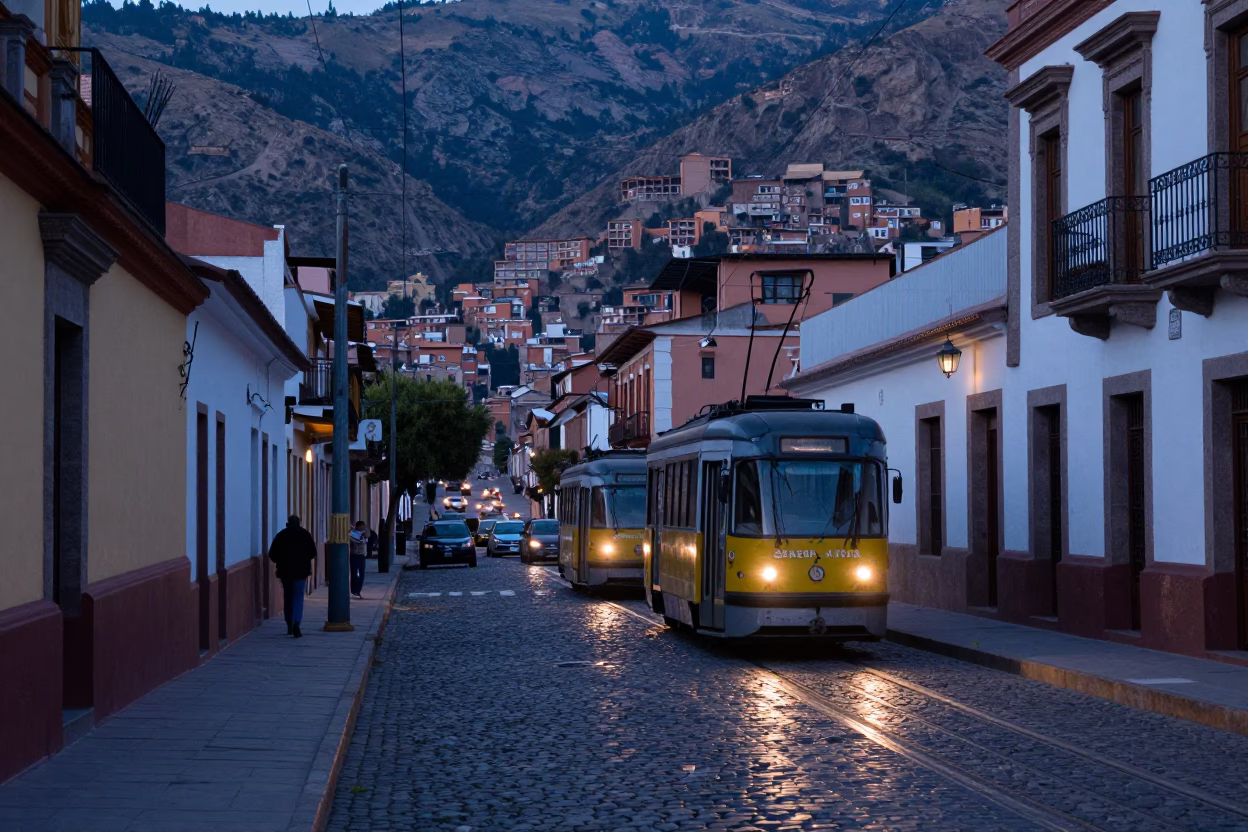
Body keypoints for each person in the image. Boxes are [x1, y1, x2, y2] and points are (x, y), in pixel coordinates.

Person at [268, 515, 317, 638]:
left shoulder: (281, 535)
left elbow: (272, 554)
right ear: (299, 523)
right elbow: (313, 552)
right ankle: (297, 622)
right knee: (298, 596)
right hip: (301, 571)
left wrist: (281, 560)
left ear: (287, 523)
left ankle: (289, 623)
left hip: (285, 572)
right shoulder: (305, 535)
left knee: (288, 596)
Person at [349, 520, 368, 599]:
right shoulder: (352, 533)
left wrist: (365, 534)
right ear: (357, 527)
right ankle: (354, 590)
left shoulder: (364, 534)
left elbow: (366, 539)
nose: (362, 529)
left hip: (362, 556)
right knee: (354, 574)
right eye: (361, 528)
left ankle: (358, 591)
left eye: (363, 528)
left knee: (362, 574)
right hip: (354, 555)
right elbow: (357, 541)